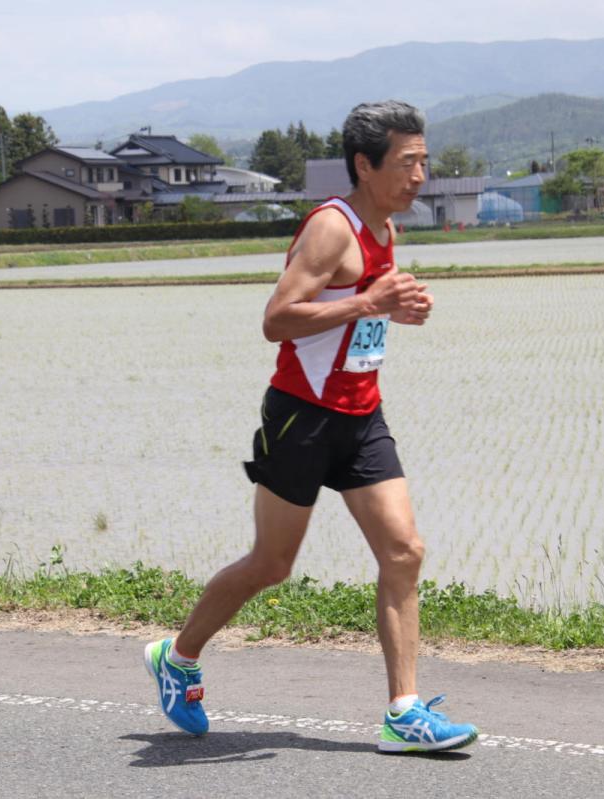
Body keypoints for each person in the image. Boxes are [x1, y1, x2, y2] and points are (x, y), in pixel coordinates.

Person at [144, 100, 478, 753]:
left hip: (361, 417)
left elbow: (356, 321)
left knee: (404, 551)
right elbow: (277, 318)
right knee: (271, 564)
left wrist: (392, 312)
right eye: (407, 162)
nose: (420, 175)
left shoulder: (388, 230)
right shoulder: (333, 227)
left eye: (424, 162)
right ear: (365, 163)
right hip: (299, 418)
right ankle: (177, 656)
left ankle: (403, 712)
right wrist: (368, 301)